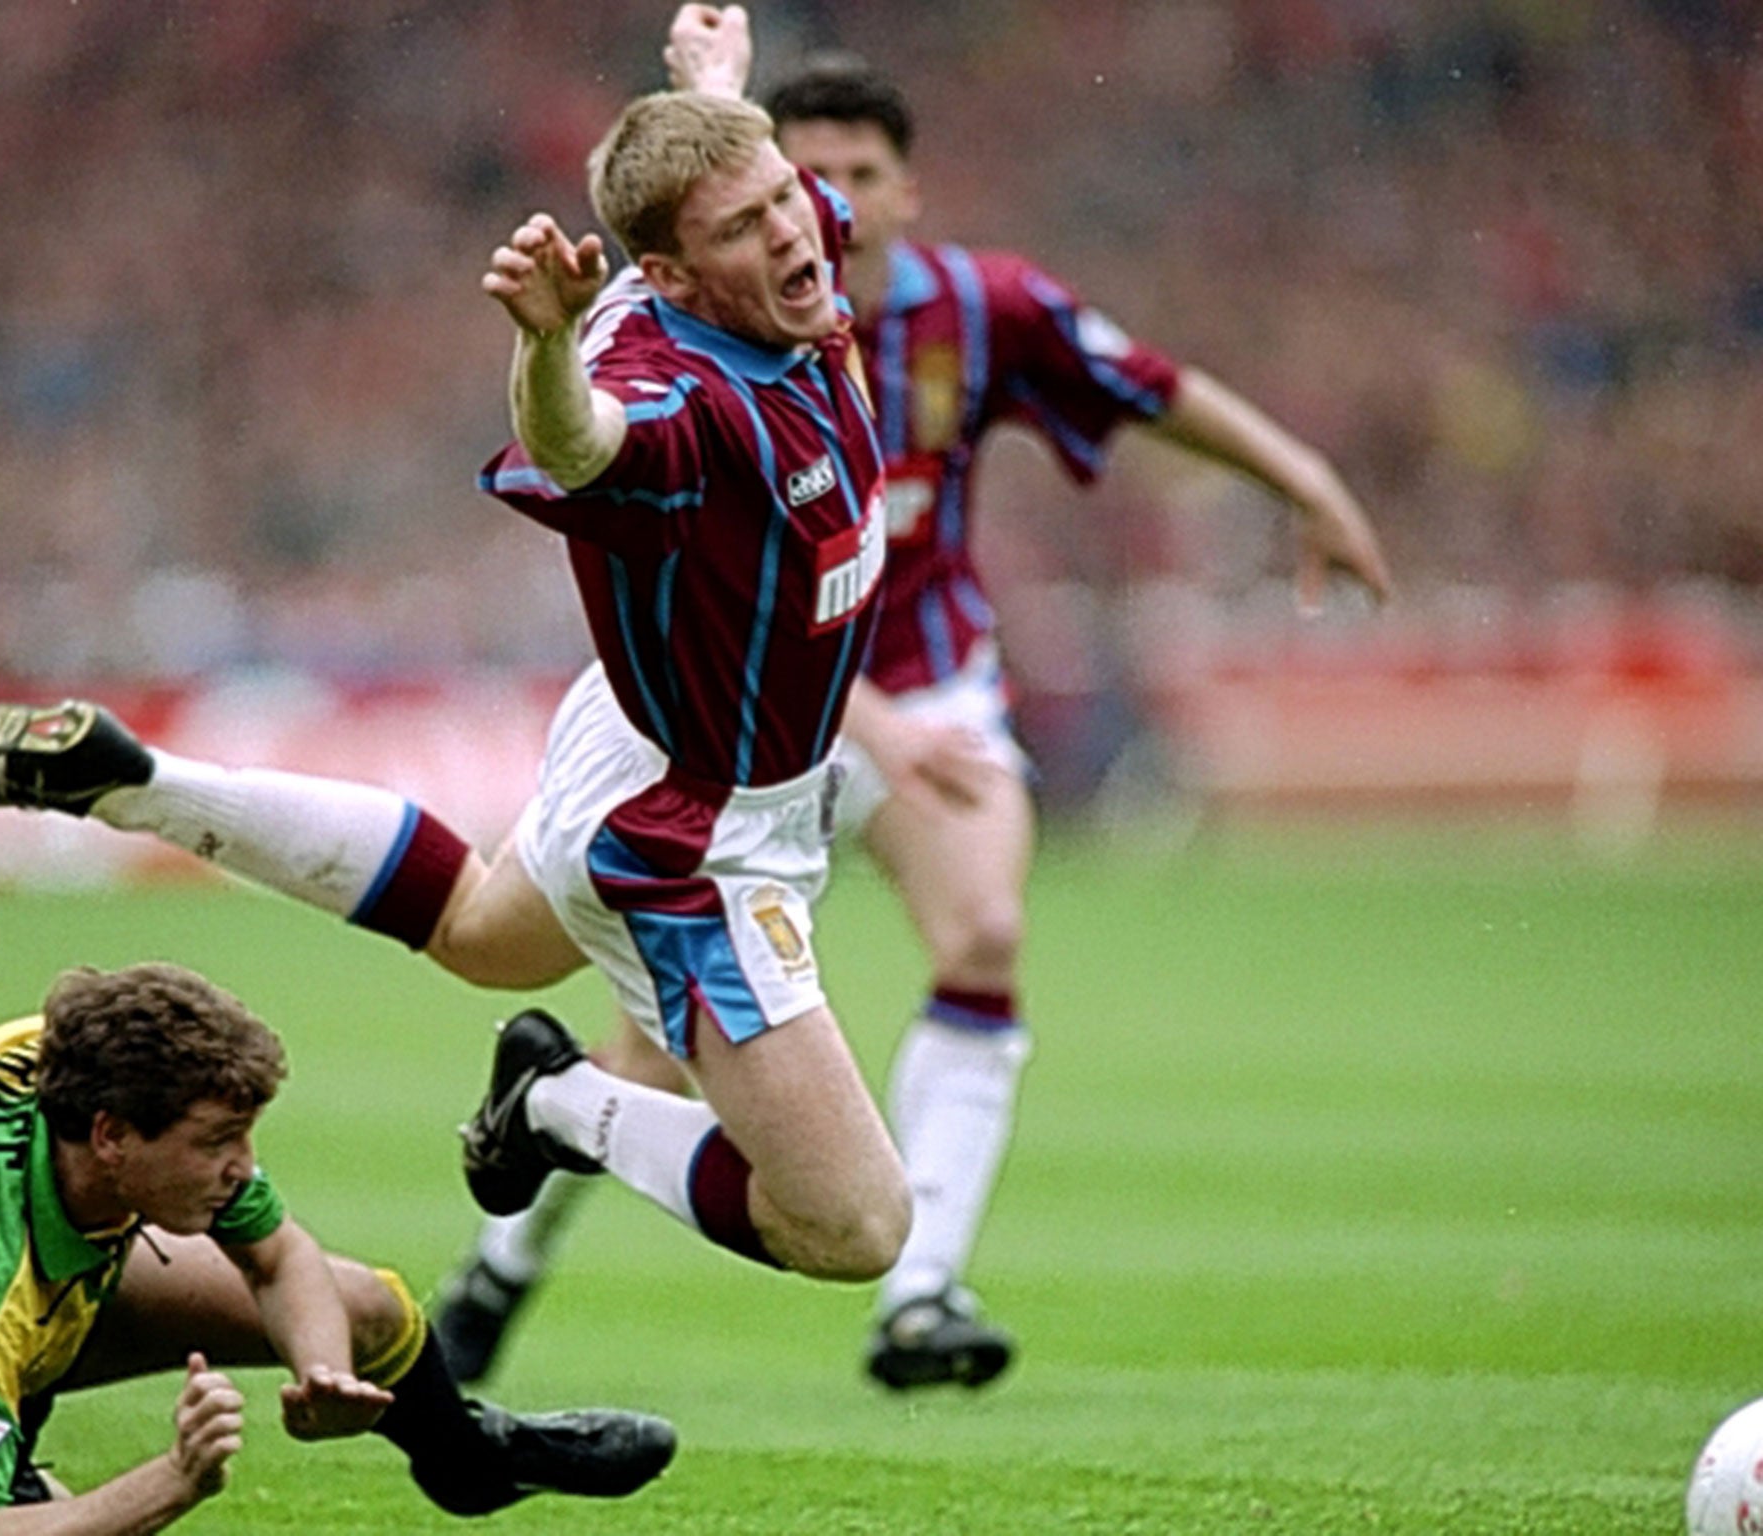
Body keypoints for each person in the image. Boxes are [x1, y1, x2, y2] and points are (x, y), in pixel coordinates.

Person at [429, 6, 1396, 1393]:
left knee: (988, 924)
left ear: (900, 188)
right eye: (787, 184)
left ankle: (921, 1288)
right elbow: (591, 421)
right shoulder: (705, 338)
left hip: (920, 680)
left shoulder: (975, 308)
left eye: (844, 183)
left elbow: (1147, 386)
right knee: (663, 1037)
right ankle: (505, 1264)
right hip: (763, 717)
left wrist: (1304, 477)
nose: (820, 215)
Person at [0, 72, 941, 1293]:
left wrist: (710, 88)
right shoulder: (690, 400)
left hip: (640, 728)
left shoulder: (770, 247)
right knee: (855, 1228)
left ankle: (135, 783)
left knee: (480, 939)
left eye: (784, 197)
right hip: (699, 832)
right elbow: (579, 442)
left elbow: (740, 181)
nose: (793, 229)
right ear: (666, 276)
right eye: (745, 224)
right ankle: (567, 1104)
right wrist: (544, 342)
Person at [0, 961, 675, 1531]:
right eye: (217, 1143)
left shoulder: (64, 1069)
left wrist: (324, 1376)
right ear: (111, 1134)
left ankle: (465, 1464)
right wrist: (172, 1479)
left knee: (359, 1303)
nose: (243, 1170)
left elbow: (278, 1256)